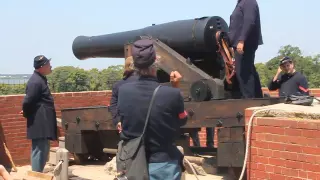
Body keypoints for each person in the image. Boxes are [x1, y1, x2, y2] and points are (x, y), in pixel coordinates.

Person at [117, 39, 188, 180]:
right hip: (163, 162)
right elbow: (182, 120)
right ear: (156, 61)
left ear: (134, 64)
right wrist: (176, 87)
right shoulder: (172, 94)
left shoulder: (123, 91)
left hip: (133, 163)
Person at [20, 55, 57, 172]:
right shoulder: (35, 81)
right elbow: (28, 101)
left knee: (43, 149)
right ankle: (36, 176)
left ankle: (38, 174)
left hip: (42, 121)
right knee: (39, 150)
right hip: (39, 121)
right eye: (48, 64)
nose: (50, 66)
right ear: (42, 67)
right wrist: (26, 112)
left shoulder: (40, 79)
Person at [228, 0, 263, 98]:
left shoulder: (248, 2)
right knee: (248, 69)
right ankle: (257, 97)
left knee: (243, 72)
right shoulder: (241, 3)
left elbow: (249, 20)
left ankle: (249, 99)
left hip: (245, 43)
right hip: (239, 43)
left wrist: (242, 40)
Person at [109, 56, 139, 132]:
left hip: (125, 125)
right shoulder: (145, 82)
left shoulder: (117, 85)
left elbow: (113, 105)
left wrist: (118, 121)